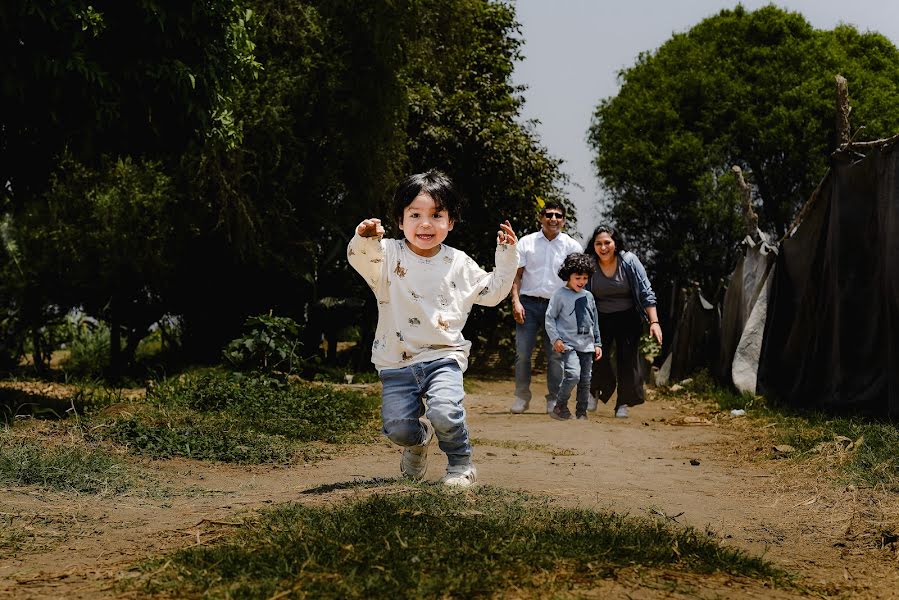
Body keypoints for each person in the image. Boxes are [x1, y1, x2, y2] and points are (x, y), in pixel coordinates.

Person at [347, 169, 518, 487]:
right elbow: (360, 258)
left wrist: (507, 256)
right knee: (397, 428)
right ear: (400, 221)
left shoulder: (460, 263)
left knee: (444, 412)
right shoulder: (388, 255)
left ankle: (460, 465)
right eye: (415, 215)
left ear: (450, 221)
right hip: (397, 361)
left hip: (444, 356)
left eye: (437, 215)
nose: (426, 224)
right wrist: (365, 238)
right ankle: (418, 441)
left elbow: (492, 294)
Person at [510, 202, 583, 414]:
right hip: (529, 304)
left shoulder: (572, 247)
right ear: (541, 217)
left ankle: (554, 400)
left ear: (564, 220)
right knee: (523, 353)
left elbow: (578, 280)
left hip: (558, 307)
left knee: (556, 356)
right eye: (549, 214)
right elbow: (517, 274)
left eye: (558, 215)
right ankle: (522, 398)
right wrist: (516, 301)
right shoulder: (526, 242)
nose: (553, 219)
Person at [585, 224, 662, 418]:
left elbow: (646, 292)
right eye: (598, 244)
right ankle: (595, 391)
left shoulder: (629, 261)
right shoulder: (589, 265)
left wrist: (654, 322)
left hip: (628, 317)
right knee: (596, 355)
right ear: (593, 246)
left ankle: (622, 403)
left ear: (615, 244)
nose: (603, 248)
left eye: (607, 243)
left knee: (627, 361)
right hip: (600, 317)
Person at [545, 253, 603, 421]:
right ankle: (560, 405)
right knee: (573, 375)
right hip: (568, 344)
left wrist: (597, 343)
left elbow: (595, 321)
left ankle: (581, 412)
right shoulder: (559, 295)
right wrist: (555, 339)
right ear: (568, 275)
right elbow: (549, 318)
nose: (582, 281)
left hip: (587, 345)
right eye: (578, 277)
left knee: (585, 380)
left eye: (585, 278)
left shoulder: (589, 296)